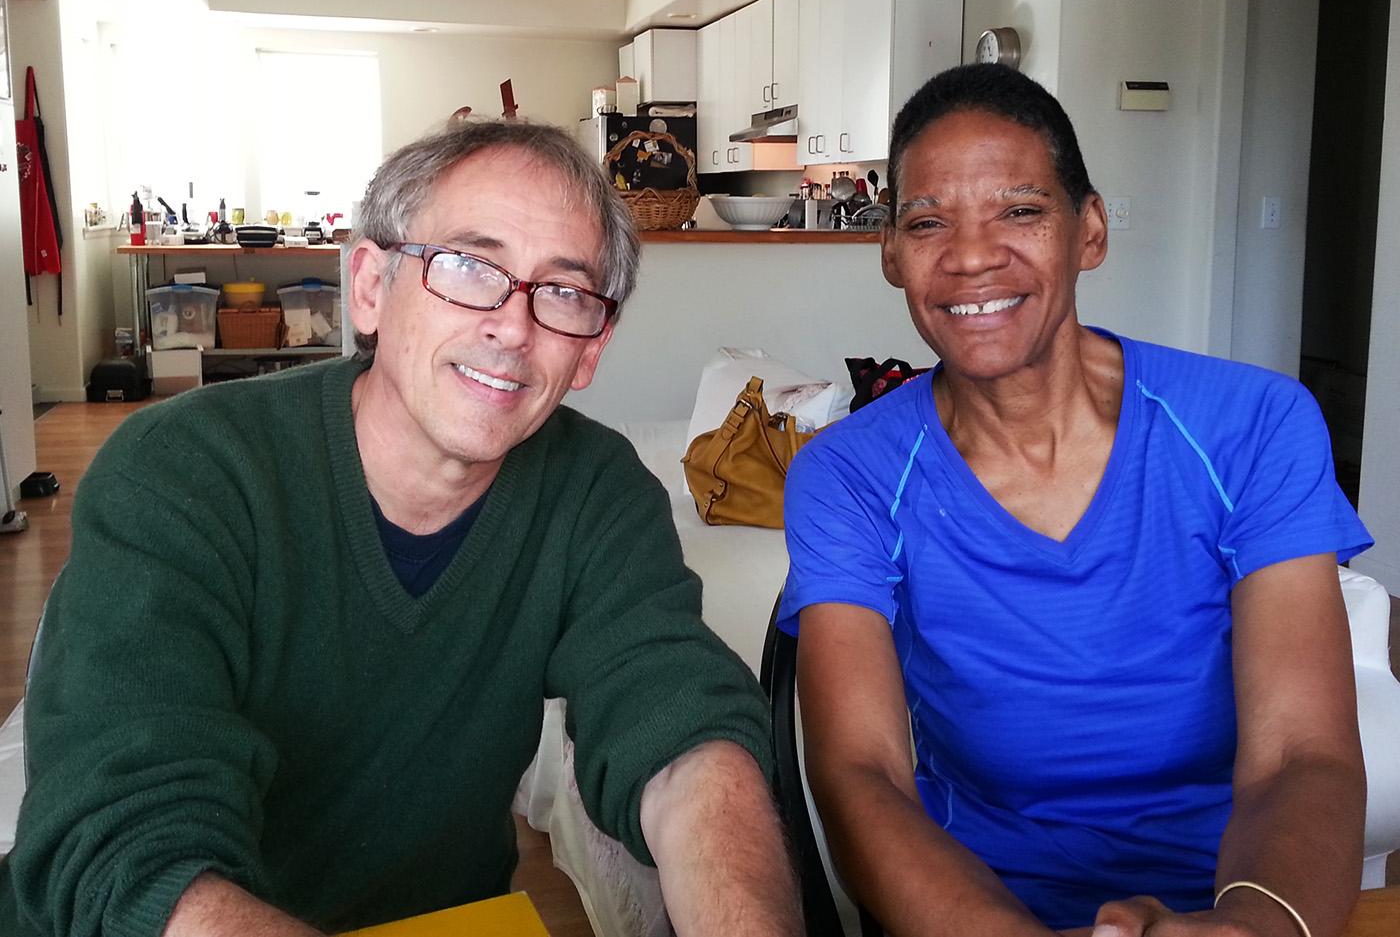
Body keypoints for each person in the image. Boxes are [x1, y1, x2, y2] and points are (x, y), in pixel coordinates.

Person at [1, 119, 800, 937]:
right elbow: (130, 845)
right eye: (468, 267)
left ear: (591, 349)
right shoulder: (184, 471)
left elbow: (677, 726)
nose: (512, 326)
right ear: (371, 286)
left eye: (562, 292)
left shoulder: (596, 492)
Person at [779, 64, 1371, 937]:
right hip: (973, 903)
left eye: (1020, 211)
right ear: (892, 253)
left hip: (1229, 891)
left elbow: (1301, 753)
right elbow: (860, 773)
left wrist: (1253, 926)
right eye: (928, 221)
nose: (972, 255)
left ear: (1089, 230)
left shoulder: (1252, 423)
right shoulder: (848, 474)